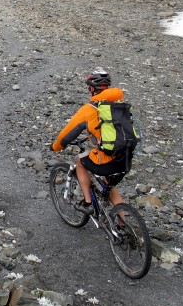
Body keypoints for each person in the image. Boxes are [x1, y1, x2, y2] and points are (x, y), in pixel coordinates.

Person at [50, 68, 131, 214]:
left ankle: (87, 202)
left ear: (92, 88)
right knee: (108, 184)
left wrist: (56, 146)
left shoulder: (90, 109)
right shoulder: (120, 104)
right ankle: (122, 225)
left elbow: (67, 134)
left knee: (80, 162)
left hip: (107, 158)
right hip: (126, 156)